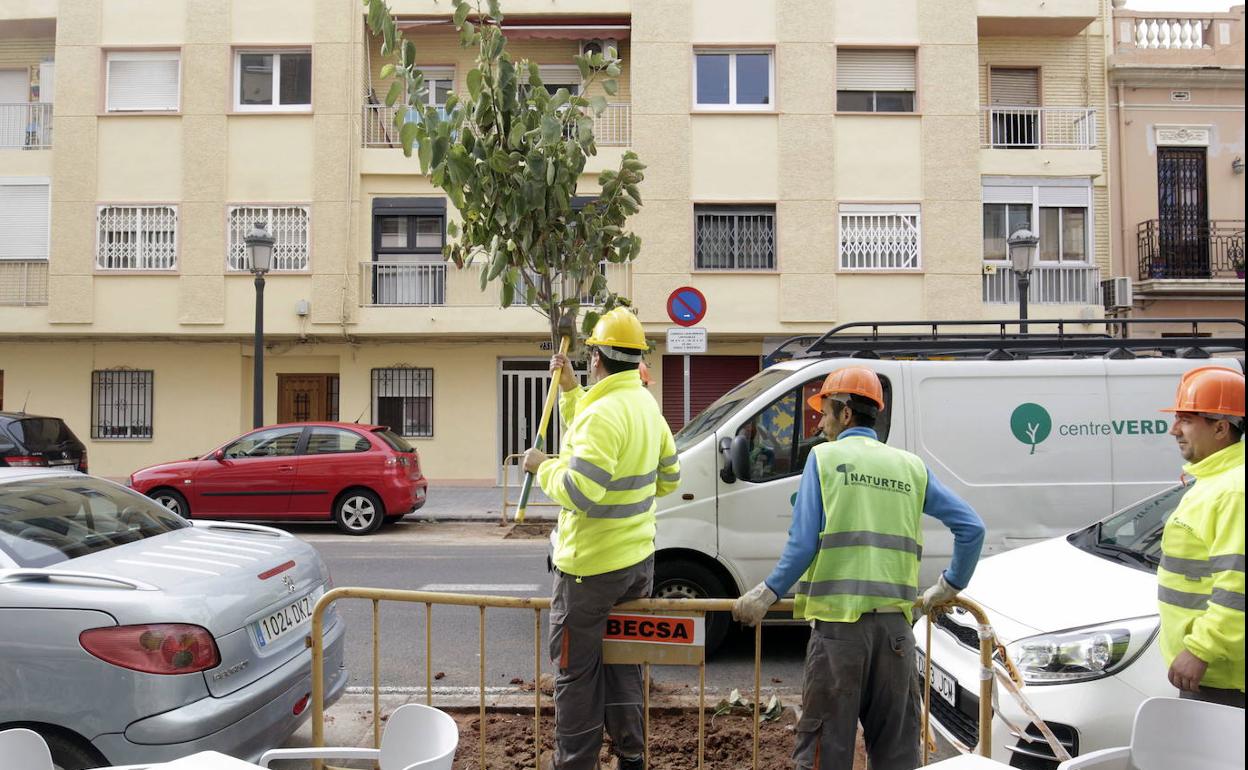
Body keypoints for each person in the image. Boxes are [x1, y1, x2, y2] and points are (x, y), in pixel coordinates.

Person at [731, 366, 985, 770]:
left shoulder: (825, 459)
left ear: (846, 414)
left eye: (826, 412)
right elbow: (972, 528)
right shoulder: (909, 467)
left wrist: (765, 594)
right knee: (897, 754)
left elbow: (802, 545)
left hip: (839, 638)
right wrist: (950, 585)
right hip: (897, 638)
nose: (820, 422)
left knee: (825, 752)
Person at [522, 308, 681, 770]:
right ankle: (632, 756)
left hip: (589, 571)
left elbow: (579, 492)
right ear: (635, 360)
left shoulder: (604, 414)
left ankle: (576, 763)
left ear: (595, 356)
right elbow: (669, 478)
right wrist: (570, 390)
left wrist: (542, 465)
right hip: (638, 565)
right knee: (622, 665)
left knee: (577, 675)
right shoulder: (645, 405)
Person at [1157, 365, 1245, 707]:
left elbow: (1238, 584)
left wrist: (1200, 649)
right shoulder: (1219, 481)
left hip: (1225, 677)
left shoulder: (1233, 490)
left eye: (1186, 420)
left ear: (1221, 427)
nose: (1173, 430)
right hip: (1216, 673)